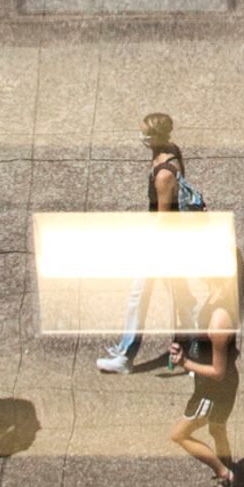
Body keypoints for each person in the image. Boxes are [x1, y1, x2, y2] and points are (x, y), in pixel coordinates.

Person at [100, 112, 197, 375]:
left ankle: (126, 356)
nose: (141, 137)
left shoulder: (164, 175)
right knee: (181, 300)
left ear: (156, 136)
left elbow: (163, 219)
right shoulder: (169, 151)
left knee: (143, 296)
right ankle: (196, 352)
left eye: (145, 133)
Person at [169, 258, 244, 487]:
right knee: (217, 431)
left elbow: (218, 372)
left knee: (179, 435)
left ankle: (224, 475)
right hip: (218, 387)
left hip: (213, 390)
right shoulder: (215, 299)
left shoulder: (220, 317)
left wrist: (185, 362)